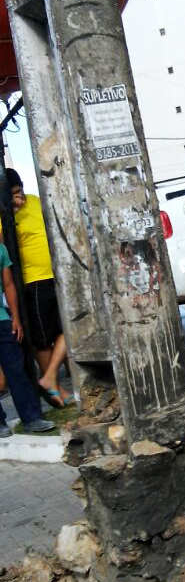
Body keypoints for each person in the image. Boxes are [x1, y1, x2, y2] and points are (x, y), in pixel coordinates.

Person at [2, 169, 71, 408]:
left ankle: (50, 377)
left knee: (70, 327)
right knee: (43, 338)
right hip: (33, 282)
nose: (19, 199)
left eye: (19, 192)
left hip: (58, 275)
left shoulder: (35, 201)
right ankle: (55, 387)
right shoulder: (3, 217)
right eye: (13, 196)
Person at [0, 241, 54, 435]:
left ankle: (32, 419)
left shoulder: (1, 249)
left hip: (3, 319)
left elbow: (8, 284)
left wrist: (15, 317)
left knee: (16, 369)